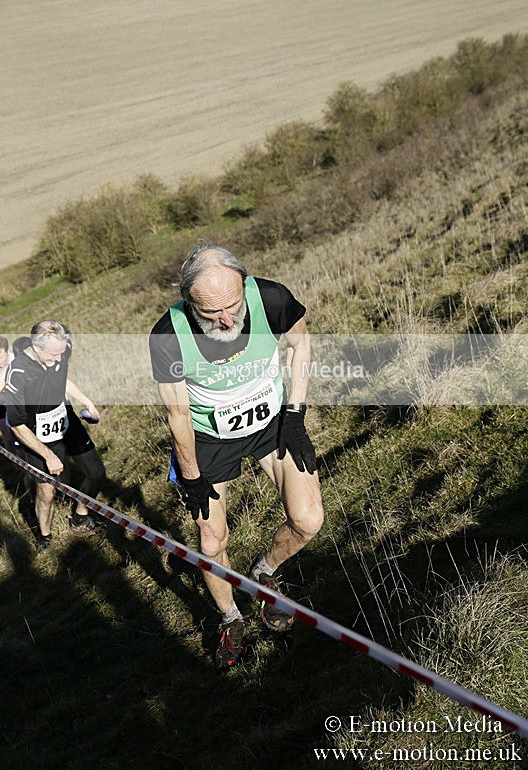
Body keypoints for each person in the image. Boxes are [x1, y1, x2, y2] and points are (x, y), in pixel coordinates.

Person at [149, 242, 323, 671]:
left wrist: (295, 415)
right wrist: (190, 477)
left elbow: (301, 345)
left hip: (272, 424)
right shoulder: (167, 336)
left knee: (308, 520)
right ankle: (230, 617)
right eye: (210, 313)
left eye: (232, 304)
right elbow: (178, 414)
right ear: (189, 302)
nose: (227, 319)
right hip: (209, 438)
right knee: (212, 540)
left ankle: (264, 574)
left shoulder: (270, 297)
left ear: (244, 284)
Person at [4, 320, 106, 550]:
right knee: (47, 490)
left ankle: (80, 516)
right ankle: (45, 536)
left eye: (62, 353)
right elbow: (18, 425)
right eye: (53, 355)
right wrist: (48, 455)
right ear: (36, 347)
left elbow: (62, 378)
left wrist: (87, 402)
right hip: (36, 433)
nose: (59, 359)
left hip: (65, 419)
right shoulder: (19, 374)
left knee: (97, 472)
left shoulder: (61, 351)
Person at [0, 336, 15, 450]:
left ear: (7, 351)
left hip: (15, 402)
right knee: (7, 437)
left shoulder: (15, 360)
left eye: (1, 357)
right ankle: (17, 466)